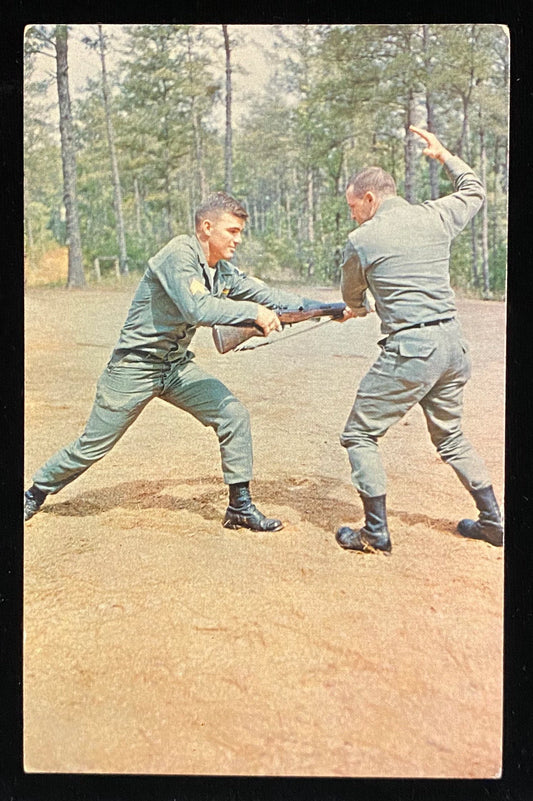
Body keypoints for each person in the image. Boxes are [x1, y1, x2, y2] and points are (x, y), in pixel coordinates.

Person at [24, 192, 342, 532]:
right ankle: (33, 493)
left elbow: (272, 296)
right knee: (91, 446)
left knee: (232, 414)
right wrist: (254, 312)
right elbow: (198, 309)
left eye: (240, 232)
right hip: (135, 367)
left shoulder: (221, 271)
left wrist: (329, 308)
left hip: (175, 367)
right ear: (207, 227)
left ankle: (239, 507)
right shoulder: (179, 254)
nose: (238, 239)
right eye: (232, 231)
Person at [335, 126, 503, 553]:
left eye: (353, 207)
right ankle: (493, 522)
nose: (353, 215)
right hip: (453, 348)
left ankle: (375, 532)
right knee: (451, 437)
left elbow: (352, 296)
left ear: (370, 199)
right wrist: (444, 155)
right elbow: (475, 189)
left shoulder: (361, 239)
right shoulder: (435, 215)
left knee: (359, 435)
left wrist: (357, 306)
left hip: (411, 352)